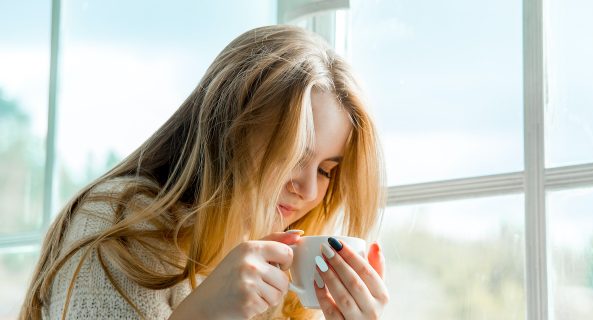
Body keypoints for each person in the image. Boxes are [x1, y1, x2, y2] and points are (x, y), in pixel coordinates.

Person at [20, 25, 388, 320]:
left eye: (326, 171)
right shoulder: (118, 226)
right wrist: (204, 313)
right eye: (292, 155)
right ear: (228, 134)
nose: (308, 189)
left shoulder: (281, 279)